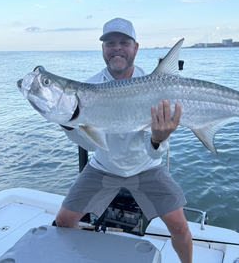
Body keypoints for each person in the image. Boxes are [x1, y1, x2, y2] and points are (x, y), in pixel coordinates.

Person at [55, 17, 193, 263]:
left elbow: (154, 155)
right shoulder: (88, 88)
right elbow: (89, 144)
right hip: (103, 167)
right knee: (63, 221)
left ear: (135, 48)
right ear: (103, 50)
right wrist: (67, 121)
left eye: (124, 42)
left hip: (146, 167)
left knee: (180, 227)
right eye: (110, 43)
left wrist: (158, 138)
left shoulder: (154, 85)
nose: (117, 47)